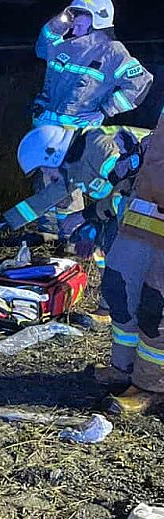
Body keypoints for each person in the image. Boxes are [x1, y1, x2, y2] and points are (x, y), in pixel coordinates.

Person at [0, 124, 149, 260]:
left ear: (54, 155)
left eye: (44, 168)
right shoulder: (70, 167)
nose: (45, 174)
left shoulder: (99, 147)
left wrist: (87, 218)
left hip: (151, 193)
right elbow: (40, 202)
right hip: (146, 199)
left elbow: (125, 195)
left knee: (115, 241)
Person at [100, 111, 163, 413]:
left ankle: (150, 385)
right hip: (143, 211)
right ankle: (121, 369)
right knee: (119, 289)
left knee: (157, 307)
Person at [33, 0, 152, 131]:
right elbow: (43, 46)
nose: (73, 29)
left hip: (77, 131)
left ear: (97, 19)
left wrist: (105, 110)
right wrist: (59, 23)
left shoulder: (112, 51)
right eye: (73, 20)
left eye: (79, 23)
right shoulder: (67, 46)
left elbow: (140, 84)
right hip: (42, 124)